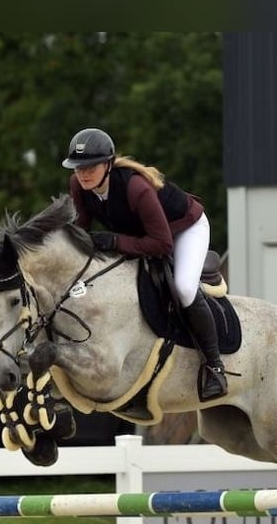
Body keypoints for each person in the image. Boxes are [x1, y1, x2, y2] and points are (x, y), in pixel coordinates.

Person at [61, 127, 227, 401]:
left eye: (90, 166)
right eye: (78, 167)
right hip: (143, 235)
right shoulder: (79, 185)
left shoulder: (136, 188)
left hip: (184, 229)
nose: (83, 173)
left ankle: (215, 366)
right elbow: (81, 231)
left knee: (185, 288)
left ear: (109, 164)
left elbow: (162, 244)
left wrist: (114, 242)